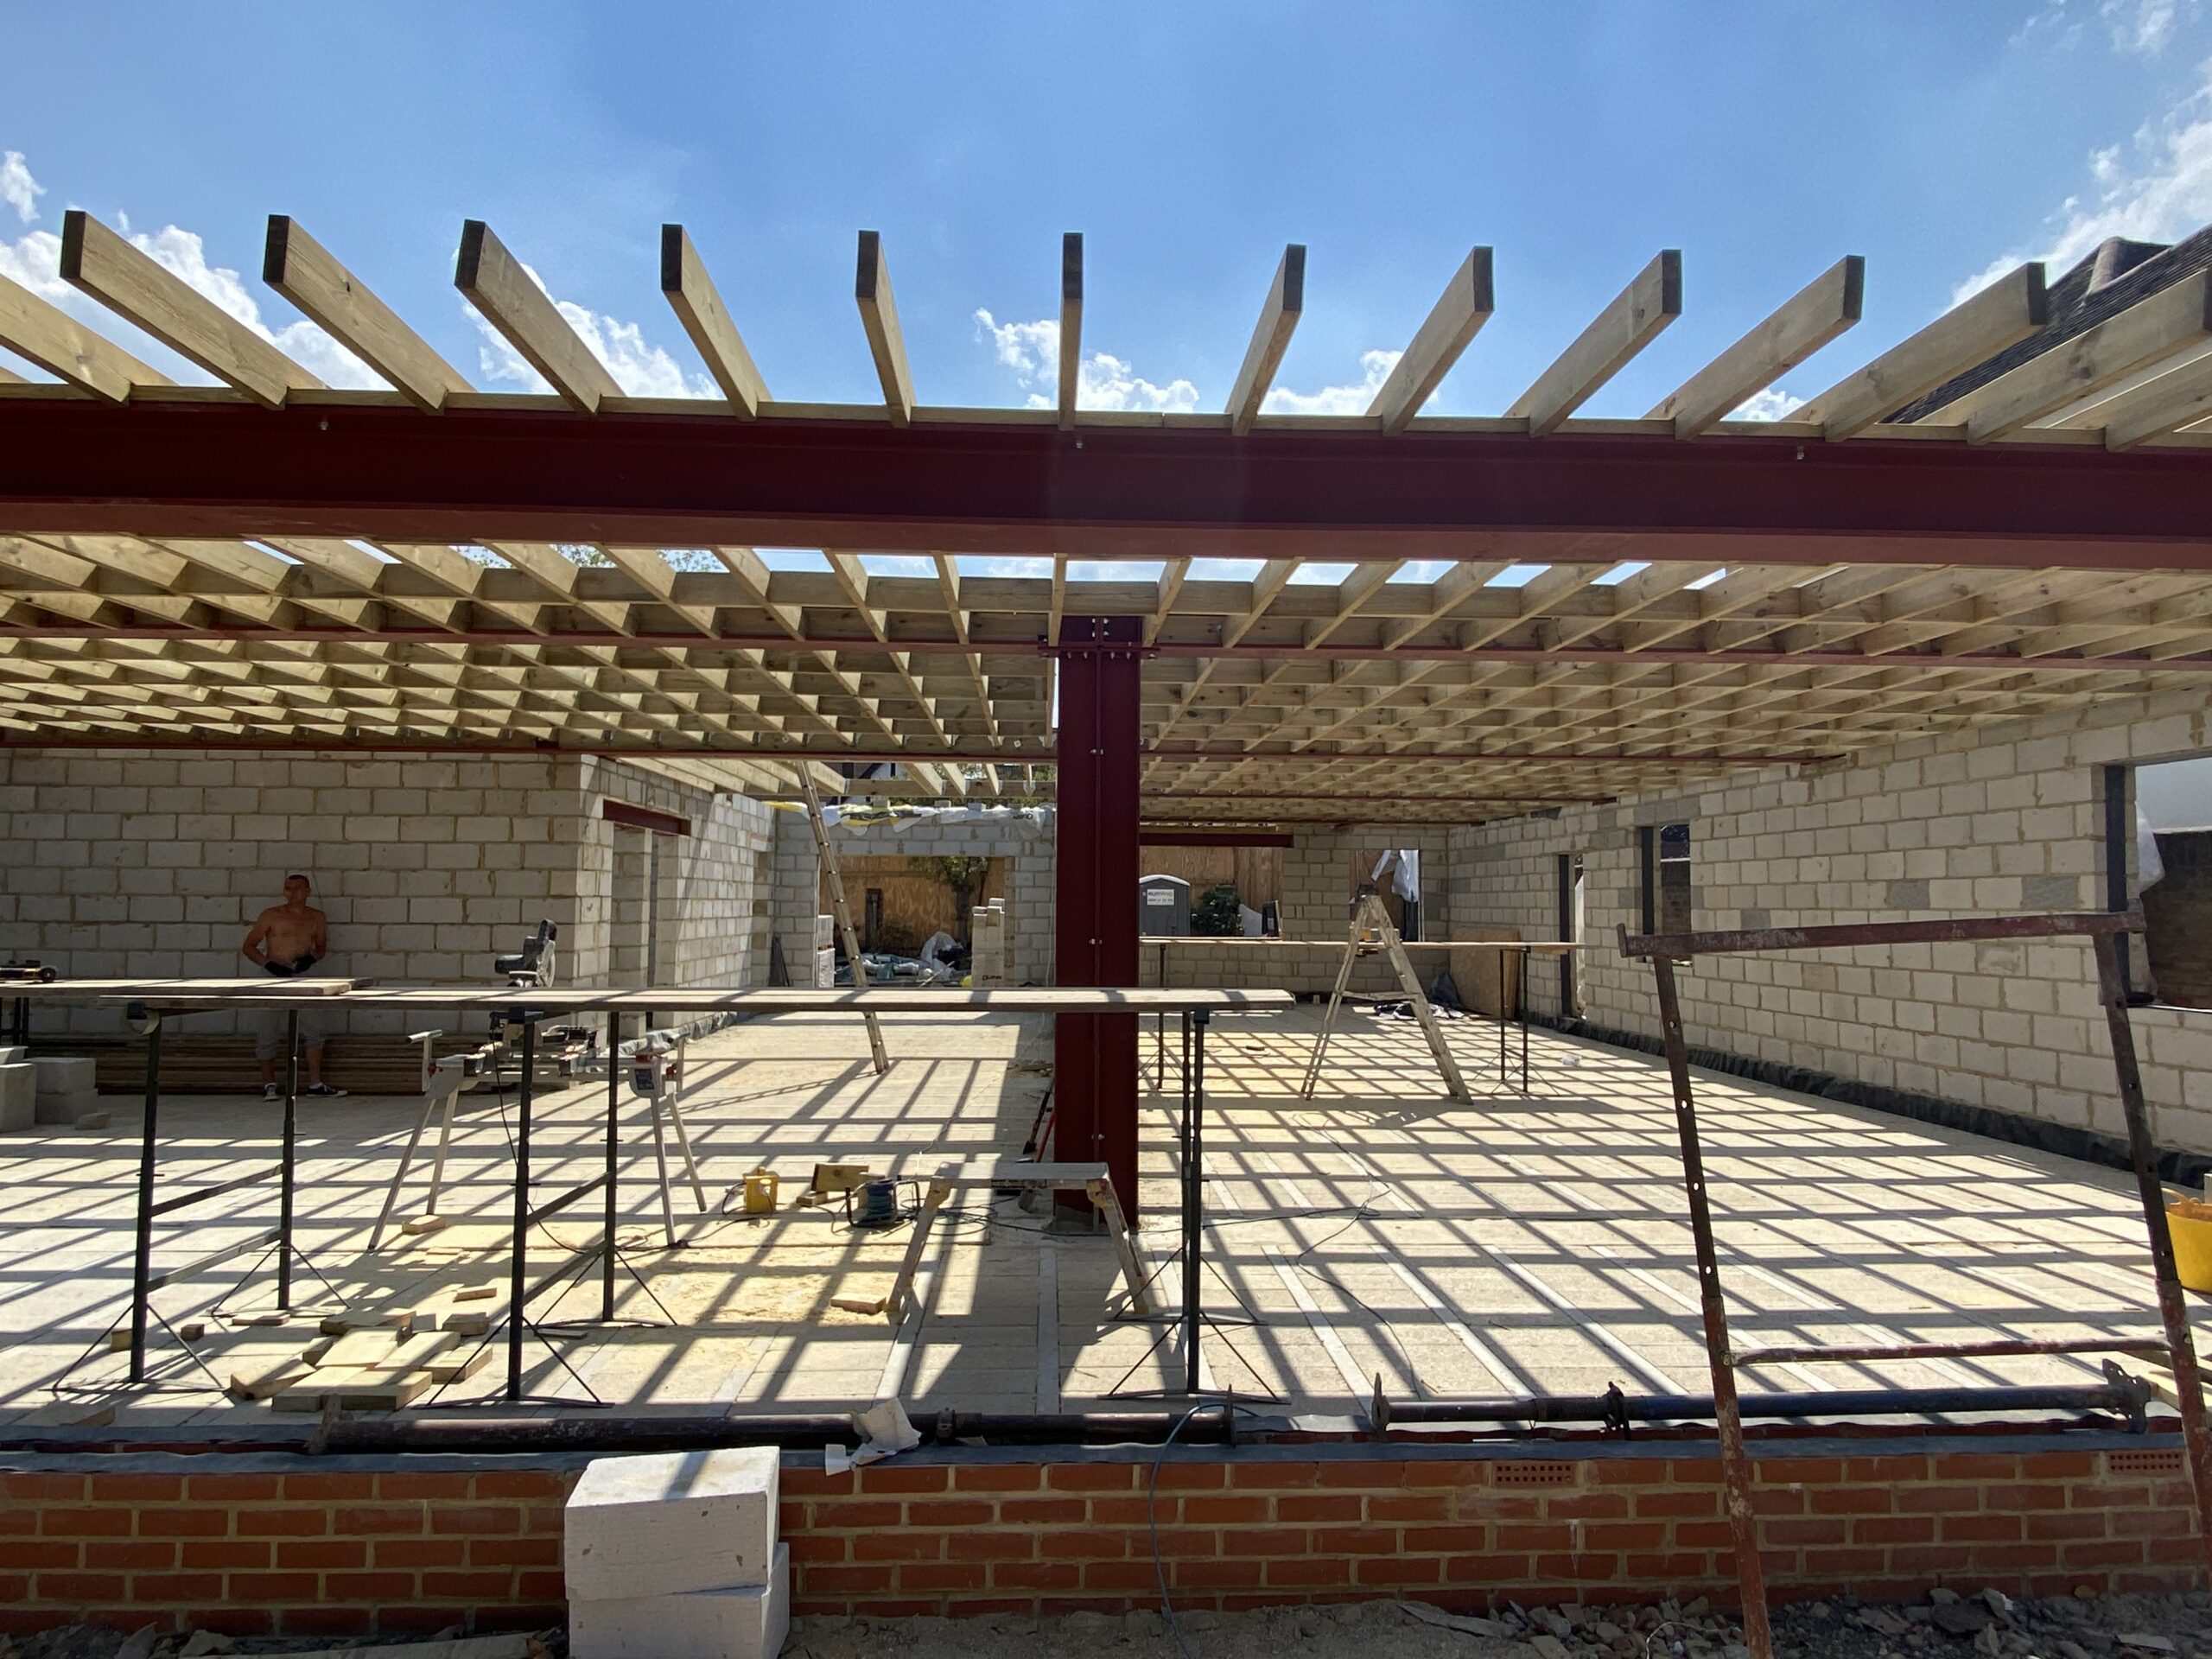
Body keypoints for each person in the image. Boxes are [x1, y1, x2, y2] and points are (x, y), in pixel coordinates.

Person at [241, 874, 346, 1100]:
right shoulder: (272, 915)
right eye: (288, 889)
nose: (293, 893)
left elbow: (320, 948)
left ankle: (315, 1084)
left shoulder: (317, 917)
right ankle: (269, 1085)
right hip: (273, 974)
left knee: (315, 1028)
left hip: (304, 973)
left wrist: (310, 959)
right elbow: (249, 947)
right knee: (268, 1028)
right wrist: (268, 964)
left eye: (298, 889)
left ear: (307, 891)